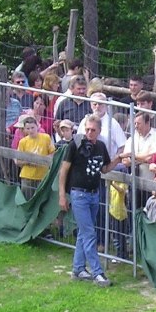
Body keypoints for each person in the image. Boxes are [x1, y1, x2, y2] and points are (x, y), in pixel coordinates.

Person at [58, 115, 123, 288]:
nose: (89, 132)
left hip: (94, 194)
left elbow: (105, 169)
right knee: (89, 234)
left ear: (99, 131)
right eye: (87, 129)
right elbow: (63, 171)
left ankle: (78, 268)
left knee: (84, 233)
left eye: (93, 130)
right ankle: (97, 272)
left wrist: (118, 159)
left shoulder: (101, 146)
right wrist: (62, 195)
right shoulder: (74, 145)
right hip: (79, 194)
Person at [77, 93, 127, 161]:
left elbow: (122, 146)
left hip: (107, 162)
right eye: (95, 104)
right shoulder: (84, 121)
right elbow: (77, 142)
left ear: (106, 105)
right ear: (91, 105)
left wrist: (113, 162)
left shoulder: (113, 123)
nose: (97, 107)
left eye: (100, 104)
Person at [15, 116, 55, 199]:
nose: (30, 130)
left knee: (42, 199)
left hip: (43, 176)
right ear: (24, 129)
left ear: (37, 126)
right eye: (28, 128)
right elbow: (18, 161)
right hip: (27, 177)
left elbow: (53, 153)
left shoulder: (46, 138)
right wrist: (29, 162)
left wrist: (42, 160)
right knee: (27, 199)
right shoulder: (22, 142)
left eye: (32, 127)